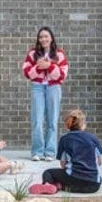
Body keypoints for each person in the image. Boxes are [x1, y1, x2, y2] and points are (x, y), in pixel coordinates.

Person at [21, 26, 69, 161]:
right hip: (37, 87)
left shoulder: (59, 54)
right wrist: (38, 67)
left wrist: (50, 66)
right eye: (41, 37)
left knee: (52, 121)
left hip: (54, 88)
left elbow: (62, 75)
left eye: (46, 36)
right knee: (37, 120)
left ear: (51, 38)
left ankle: (50, 153)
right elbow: (26, 72)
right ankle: (37, 152)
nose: (43, 39)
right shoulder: (32, 53)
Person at [30, 109, 102, 195]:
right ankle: (59, 186)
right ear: (83, 124)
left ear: (68, 124)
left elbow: (63, 164)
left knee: (48, 172)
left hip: (73, 180)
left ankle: (50, 185)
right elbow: (99, 162)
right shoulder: (93, 138)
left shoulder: (65, 139)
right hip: (93, 185)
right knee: (99, 178)